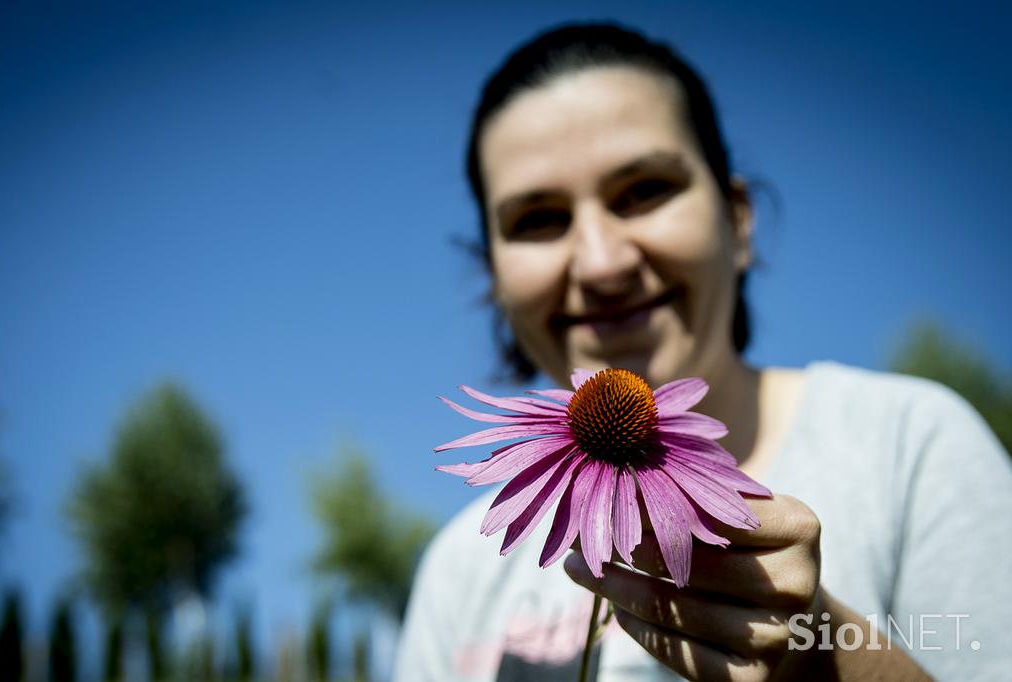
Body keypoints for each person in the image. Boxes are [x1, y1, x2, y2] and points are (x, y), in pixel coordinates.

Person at [394, 23, 1011, 681]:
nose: (602, 264)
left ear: (737, 220)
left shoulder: (909, 451)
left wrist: (830, 657)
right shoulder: (460, 574)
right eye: (538, 219)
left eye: (646, 190)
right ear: (493, 276)